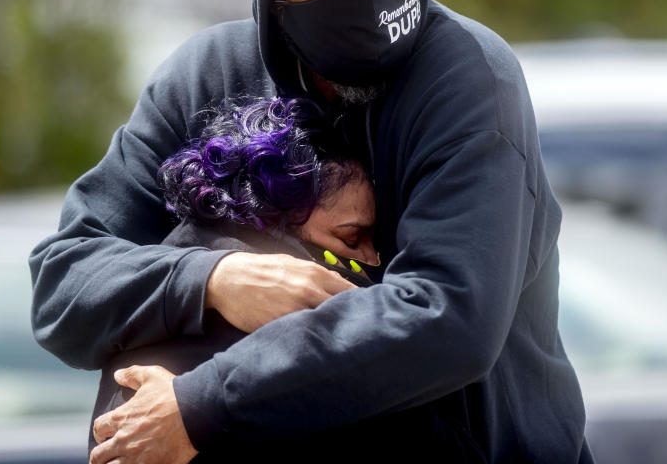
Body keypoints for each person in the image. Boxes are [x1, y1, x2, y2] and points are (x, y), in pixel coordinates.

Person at [29, 0, 593, 463]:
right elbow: (65, 283)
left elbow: (448, 317)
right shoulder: (204, 77)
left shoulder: (466, 78)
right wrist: (217, 279)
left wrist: (199, 406)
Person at [89, 97, 487, 462]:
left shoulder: (148, 322)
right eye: (351, 238)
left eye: (374, 241)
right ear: (270, 226)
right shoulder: (308, 350)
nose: (372, 261)